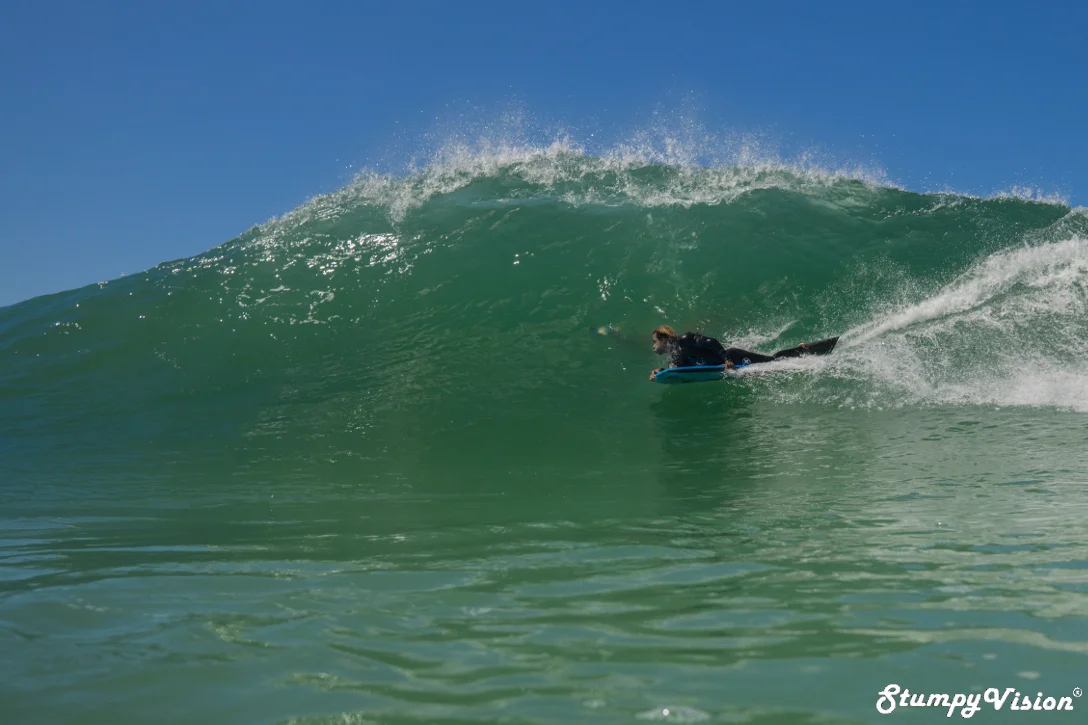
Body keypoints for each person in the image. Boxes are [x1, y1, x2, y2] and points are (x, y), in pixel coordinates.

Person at [649, 325, 810, 380]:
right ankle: (799, 350)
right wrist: (660, 372)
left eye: (654, 342)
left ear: (664, 339)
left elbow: (710, 341)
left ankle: (800, 350)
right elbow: (676, 371)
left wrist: (726, 359)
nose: (653, 346)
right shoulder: (675, 356)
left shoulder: (684, 340)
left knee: (772, 361)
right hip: (722, 364)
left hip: (733, 357)